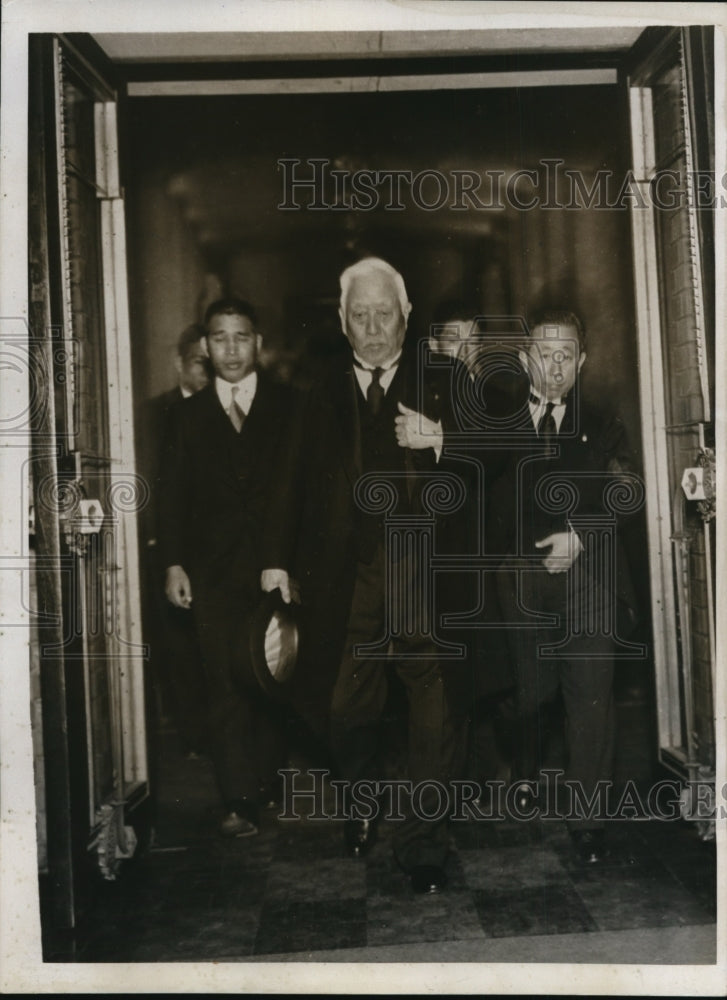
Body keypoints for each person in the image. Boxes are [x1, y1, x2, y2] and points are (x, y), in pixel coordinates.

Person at [262, 257, 467, 894]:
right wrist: (276, 558)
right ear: (342, 321)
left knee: (432, 705)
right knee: (345, 707)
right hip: (347, 576)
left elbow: (502, 456)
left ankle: (424, 842)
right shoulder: (316, 389)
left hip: (424, 569)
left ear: (407, 315)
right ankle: (363, 795)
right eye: (360, 316)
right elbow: (289, 476)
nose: (374, 329)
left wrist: (443, 441)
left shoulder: (447, 378)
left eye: (384, 314)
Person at [489, 310, 638, 863]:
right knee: (529, 693)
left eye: (564, 356)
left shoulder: (602, 423)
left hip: (588, 576)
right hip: (517, 578)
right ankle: (525, 766)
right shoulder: (496, 423)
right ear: (523, 358)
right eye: (542, 354)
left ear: (581, 362)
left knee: (590, 694)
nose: (553, 367)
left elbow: (626, 490)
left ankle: (587, 820)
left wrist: (581, 534)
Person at [157, 298, 294, 838]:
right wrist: (174, 564)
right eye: (220, 338)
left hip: (278, 569)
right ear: (205, 347)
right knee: (224, 683)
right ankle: (239, 799)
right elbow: (171, 498)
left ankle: (267, 778)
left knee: (273, 676)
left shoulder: (291, 406)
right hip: (211, 573)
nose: (231, 349)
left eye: (241, 337)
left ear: (258, 342)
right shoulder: (185, 417)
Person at [137, 323, 210, 759]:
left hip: (214, 551)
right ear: (178, 363)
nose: (209, 370)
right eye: (201, 362)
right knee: (180, 650)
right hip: (167, 549)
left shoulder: (226, 408)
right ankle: (196, 740)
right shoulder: (151, 416)